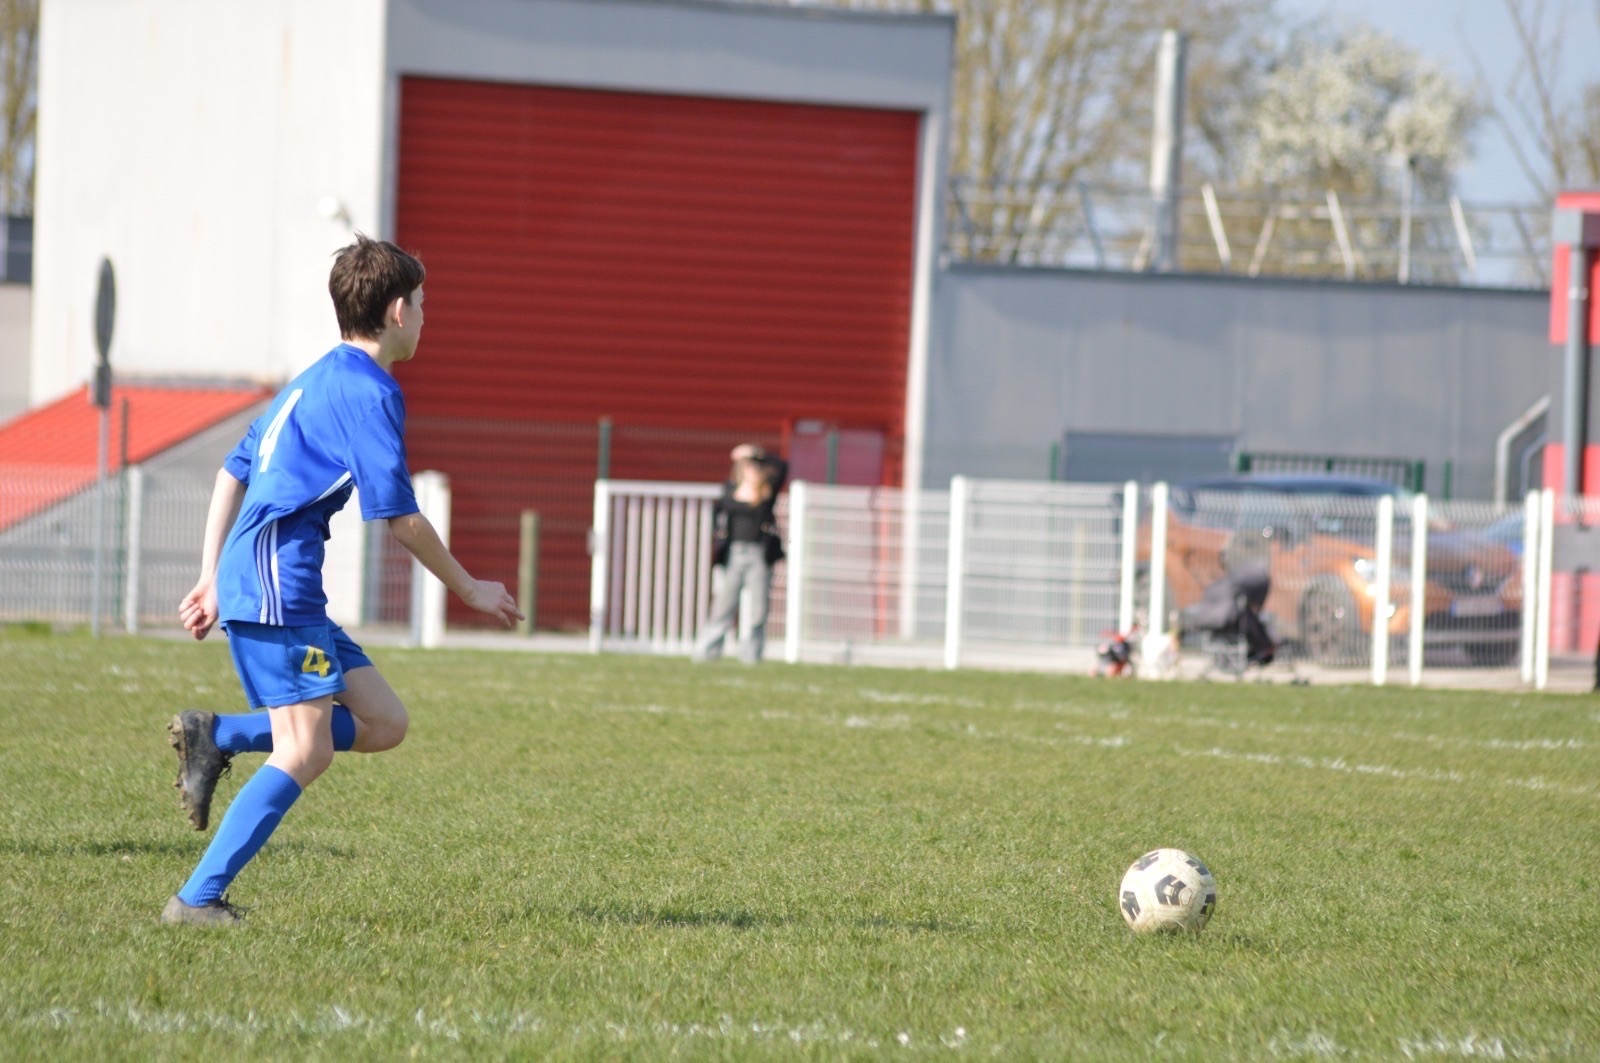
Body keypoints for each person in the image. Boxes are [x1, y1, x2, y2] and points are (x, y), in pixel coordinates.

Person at [161, 234, 522, 927]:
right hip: (278, 583)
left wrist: (212, 575)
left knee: (385, 722)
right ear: (396, 311)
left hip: (273, 579)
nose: (425, 316)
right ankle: (196, 900)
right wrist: (470, 588)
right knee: (306, 748)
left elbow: (232, 471)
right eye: (422, 303)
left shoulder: (314, 378)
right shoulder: (369, 392)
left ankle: (219, 733)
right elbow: (401, 519)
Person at [692, 443, 788, 665]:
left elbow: (783, 466)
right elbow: (719, 512)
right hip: (735, 554)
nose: (752, 470)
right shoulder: (731, 489)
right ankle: (707, 652)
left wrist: (755, 452)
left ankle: (751, 655)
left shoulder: (767, 491)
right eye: (749, 466)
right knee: (723, 606)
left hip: (759, 556)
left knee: (758, 609)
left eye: (756, 466)